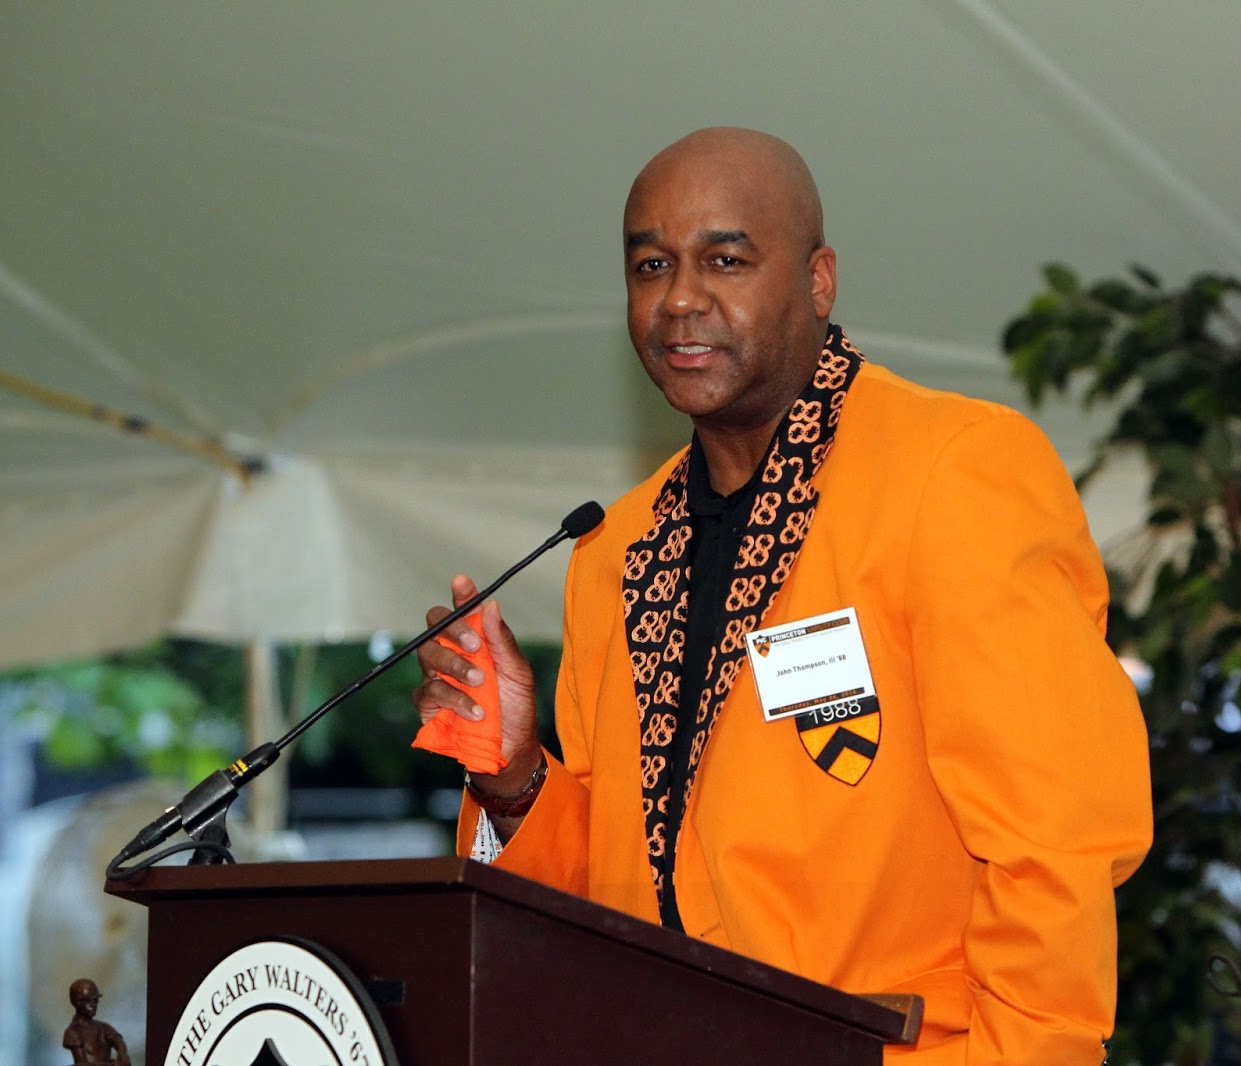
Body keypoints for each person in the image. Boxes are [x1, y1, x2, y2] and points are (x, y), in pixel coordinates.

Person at [413, 127, 1151, 1063]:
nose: (681, 298)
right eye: (650, 265)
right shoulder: (615, 550)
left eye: (725, 260)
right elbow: (616, 893)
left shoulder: (952, 474)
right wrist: (515, 773)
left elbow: (1055, 845)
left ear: (818, 281)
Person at [62, 978, 131, 1066]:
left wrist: (123, 1055)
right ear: (77, 1002)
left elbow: (119, 1042)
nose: (93, 1005)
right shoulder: (73, 1033)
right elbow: (82, 1064)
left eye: (95, 1001)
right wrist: (113, 1064)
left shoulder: (103, 1027)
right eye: (88, 1001)